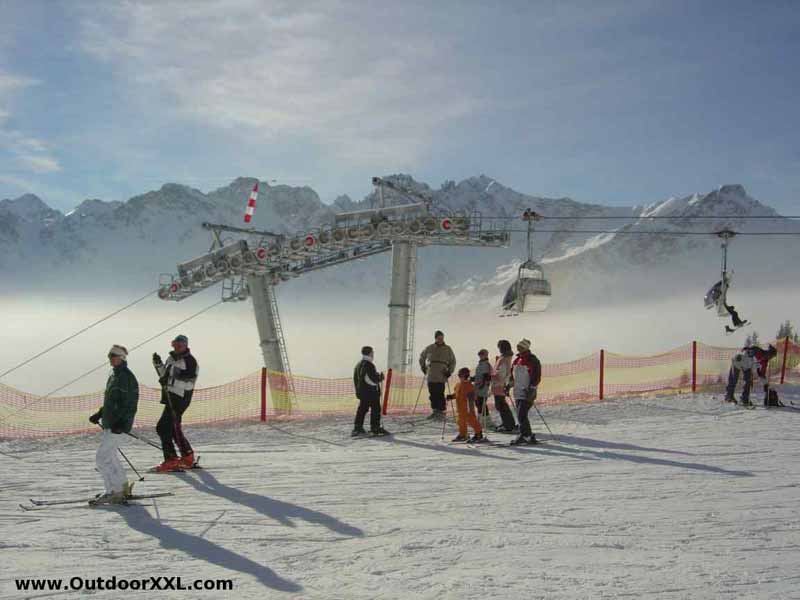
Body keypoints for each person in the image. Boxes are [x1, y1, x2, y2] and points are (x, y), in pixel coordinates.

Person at [88, 345, 139, 505]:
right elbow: (112, 401)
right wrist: (101, 413)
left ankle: (114, 491)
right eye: (109, 355)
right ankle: (121, 487)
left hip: (119, 425)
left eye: (114, 355)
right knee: (109, 456)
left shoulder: (126, 377)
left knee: (102, 458)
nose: (110, 358)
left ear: (122, 357)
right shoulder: (115, 375)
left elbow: (130, 403)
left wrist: (121, 423)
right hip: (111, 422)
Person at [152, 334, 198, 472]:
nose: (177, 348)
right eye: (175, 345)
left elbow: (189, 383)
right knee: (172, 428)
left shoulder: (189, 361)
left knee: (162, 427)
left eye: (180, 345)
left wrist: (169, 381)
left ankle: (171, 459)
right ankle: (187, 456)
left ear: (185, 346)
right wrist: (158, 365)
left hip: (181, 398)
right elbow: (164, 376)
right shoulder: (171, 359)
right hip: (170, 396)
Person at [509, 338, 542, 445]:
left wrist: (532, 389)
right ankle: (528, 435)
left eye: (521, 346)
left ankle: (525, 435)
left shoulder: (532, 360)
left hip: (527, 391)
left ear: (526, 347)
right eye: (518, 346)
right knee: (520, 415)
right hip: (518, 391)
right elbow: (512, 376)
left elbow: (536, 376)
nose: (518, 348)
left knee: (521, 414)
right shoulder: (516, 360)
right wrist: (508, 386)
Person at [352, 346, 389, 437]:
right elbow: (371, 380)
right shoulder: (369, 364)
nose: (373, 354)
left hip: (362, 392)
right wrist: (380, 378)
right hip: (371, 392)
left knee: (362, 409)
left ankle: (358, 427)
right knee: (376, 409)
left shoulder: (359, 364)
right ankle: (375, 428)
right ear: (369, 353)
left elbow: (359, 378)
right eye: (372, 352)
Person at [419, 330, 456, 420]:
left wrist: (449, 371)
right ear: (435, 338)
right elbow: (422, 357)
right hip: (431, 374)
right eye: (439, 338)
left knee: (440, 392)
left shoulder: (448, 349)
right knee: (432, 393)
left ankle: (442, 411)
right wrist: (423, 368)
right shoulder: (429, 348)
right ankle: (435, 411)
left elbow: (453, 361)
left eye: (442, 338)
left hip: (441, 374)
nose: (440, 340)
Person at [446, 367, 484, 443]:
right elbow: (457, 394)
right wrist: (451, 396)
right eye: (460, 375)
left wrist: (471, 408)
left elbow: (473, 397)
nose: (461, 377)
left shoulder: (469, 386)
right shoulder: (458, 385)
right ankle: (463, 434)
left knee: (471, 420)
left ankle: (479, 433)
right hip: (460, 408)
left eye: (463, 376)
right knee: (461, 421)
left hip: (468, 407)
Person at [491, 340, 517, 433]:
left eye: (499, 347)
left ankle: (508, 425)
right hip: (500, 384)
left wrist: (491, 376)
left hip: (499, 384)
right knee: (501, 405)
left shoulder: (504, 359)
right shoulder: (506, 357)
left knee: (501, 405)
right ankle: (507, 423)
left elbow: (501, 373)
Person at [473, 349, 492, 427]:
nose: (481, 356)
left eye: (482, 354)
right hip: (477, 386)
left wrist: (483, 384)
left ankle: (486, 421)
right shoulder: (480, 364)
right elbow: (479, 375)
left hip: (482, 386)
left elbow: (486, 376)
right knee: (478, 403)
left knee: (482, 403)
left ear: (486, 355)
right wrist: (472, 378)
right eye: (480, 354)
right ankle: (481, 420)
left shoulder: (486, 364)